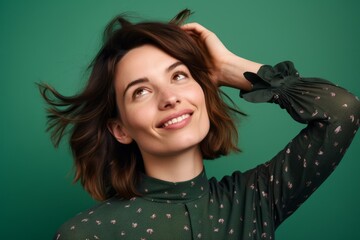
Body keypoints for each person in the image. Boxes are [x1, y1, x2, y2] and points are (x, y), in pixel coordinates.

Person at [39, 9, 360, 240]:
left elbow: (342, 110)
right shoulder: (84, 235)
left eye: (179, 75)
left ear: (204, 91)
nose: (169, 97)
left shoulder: (256, 199)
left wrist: (229, 68)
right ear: (120, 129)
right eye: (141, 91)